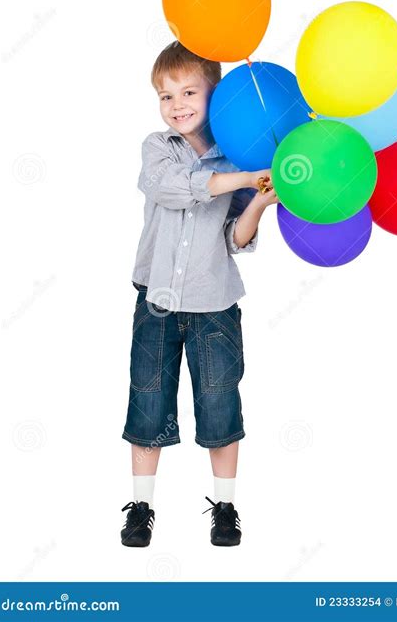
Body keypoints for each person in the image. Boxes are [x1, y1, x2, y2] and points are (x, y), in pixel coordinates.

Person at [120, 41, 278, 548]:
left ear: (217, 93)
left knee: (219, 404)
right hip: (157, 303)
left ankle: (226, 507)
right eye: (166, 96)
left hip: (215, 308)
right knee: (148, 403)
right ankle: (141, 507)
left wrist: (257, 201)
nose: (177, 104)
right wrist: (244, 177)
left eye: (189, 91)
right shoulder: (157, 148)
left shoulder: (240, 157)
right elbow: (173, 188)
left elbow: (236, 238)